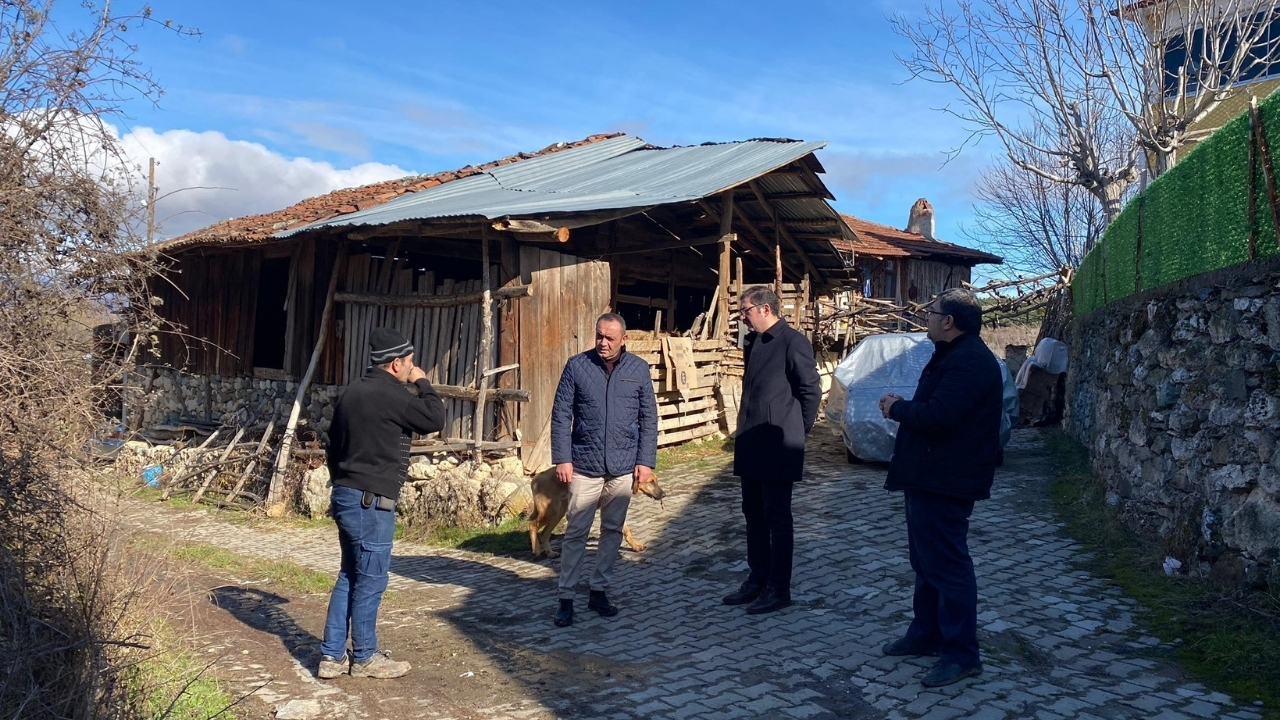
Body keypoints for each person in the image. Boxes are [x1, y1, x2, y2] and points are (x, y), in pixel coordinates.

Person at [877, 288, 1003, 688]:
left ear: (948, 321)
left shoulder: (970, 361)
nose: (926, 318)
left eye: (931, 313)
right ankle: (927, 634)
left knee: (948, 567)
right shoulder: (953, 355)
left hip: (946, 480)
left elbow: (940, 415)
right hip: (928, 477)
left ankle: (961, 654)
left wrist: (896, 408)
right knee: (926, 563)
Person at [318, 327, 445, 679]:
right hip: (371, 502)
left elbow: (333, 445)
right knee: (371, 579)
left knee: (349, 574)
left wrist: (341, 482)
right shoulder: (392, 394)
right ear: (395, 363)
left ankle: (331, 657)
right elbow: (435, 418)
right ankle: (365, 657)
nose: (412, 367)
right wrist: (424, 383)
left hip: (346, 493)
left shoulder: (351, 393)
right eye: (409, 362)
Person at [549, 312, 658, 627]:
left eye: (610, 338)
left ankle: (599, 591)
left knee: (612, 531)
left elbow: (648, 418)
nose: (602, 343)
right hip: (584, 465)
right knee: (576, 532)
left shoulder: (638, 369)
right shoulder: (577, 366)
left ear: (624, 339)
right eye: (599, 336)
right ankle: (566, 597)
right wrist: (563, 458)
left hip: (623, 468)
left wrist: (645, 461)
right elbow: (560, 416)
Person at [722, 286, 821, 615]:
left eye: (745, 310)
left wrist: (795, 430)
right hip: (752, 441)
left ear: (765, 309)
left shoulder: (793, 341)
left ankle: (779, 588)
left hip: (779, 445)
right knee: (752, 514)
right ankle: (757, 579)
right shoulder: (754, 342)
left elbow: (810, 390)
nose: (742, 316)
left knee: (777, 516)